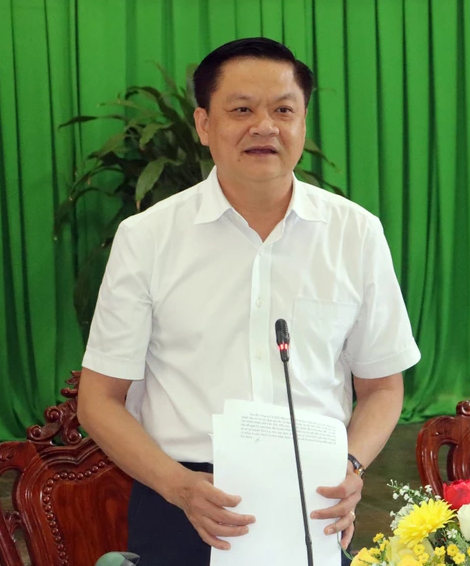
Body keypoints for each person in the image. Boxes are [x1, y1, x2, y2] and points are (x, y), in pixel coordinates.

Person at [77, 37, 420, 566]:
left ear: (303, 122)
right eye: (241, 110)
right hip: (182, 501)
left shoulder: (355, 234)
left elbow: (382, 387)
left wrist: (350, 466)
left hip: (314, 502)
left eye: (283, 110)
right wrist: (179, 486)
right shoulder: (147, 238)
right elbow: (99, 399)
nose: (265, 126)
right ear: (203, 124)